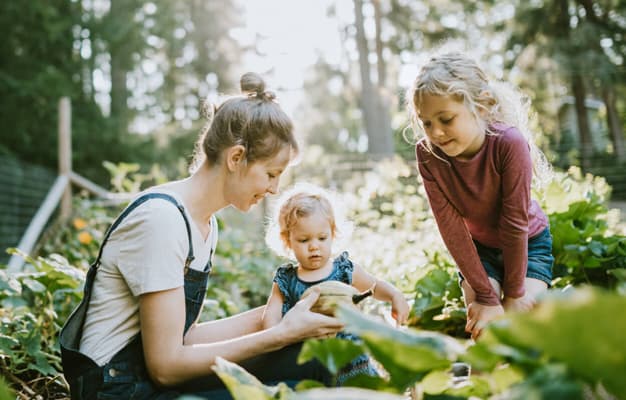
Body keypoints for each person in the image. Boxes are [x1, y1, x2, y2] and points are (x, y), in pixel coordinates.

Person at [59, 73, 344, 400]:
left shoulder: (203, 223)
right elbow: (165, 367)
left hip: (149, 379)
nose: (274, 189)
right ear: (236, 158)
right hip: (119, 390)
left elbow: (186, 338)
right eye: (270, 174)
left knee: (315, 361)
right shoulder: (162, 220)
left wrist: (289, 311)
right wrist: (279, 334)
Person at [406, 51, 554, 340]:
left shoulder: (509, 144)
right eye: (426, 123)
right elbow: (451, 229)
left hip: (528, 243)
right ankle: (482, 386)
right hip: (479, 252)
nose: (436, 132)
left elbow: (514, 224)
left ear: (483, 106)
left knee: (519, 329)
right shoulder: (428, 154)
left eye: (446, 119)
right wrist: (486, 297)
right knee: (486, 331)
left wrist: (513, 294)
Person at [262, 183, 410, 384]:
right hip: (312, 367)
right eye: (304, 240)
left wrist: (394, 295)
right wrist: (279, 337)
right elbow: (270, 323)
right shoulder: (286, 280)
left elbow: (373, 285)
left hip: (354, 364)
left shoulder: (343, 270)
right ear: (288, 241)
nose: (314, 246)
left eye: (322, 238)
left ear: (333, 234)